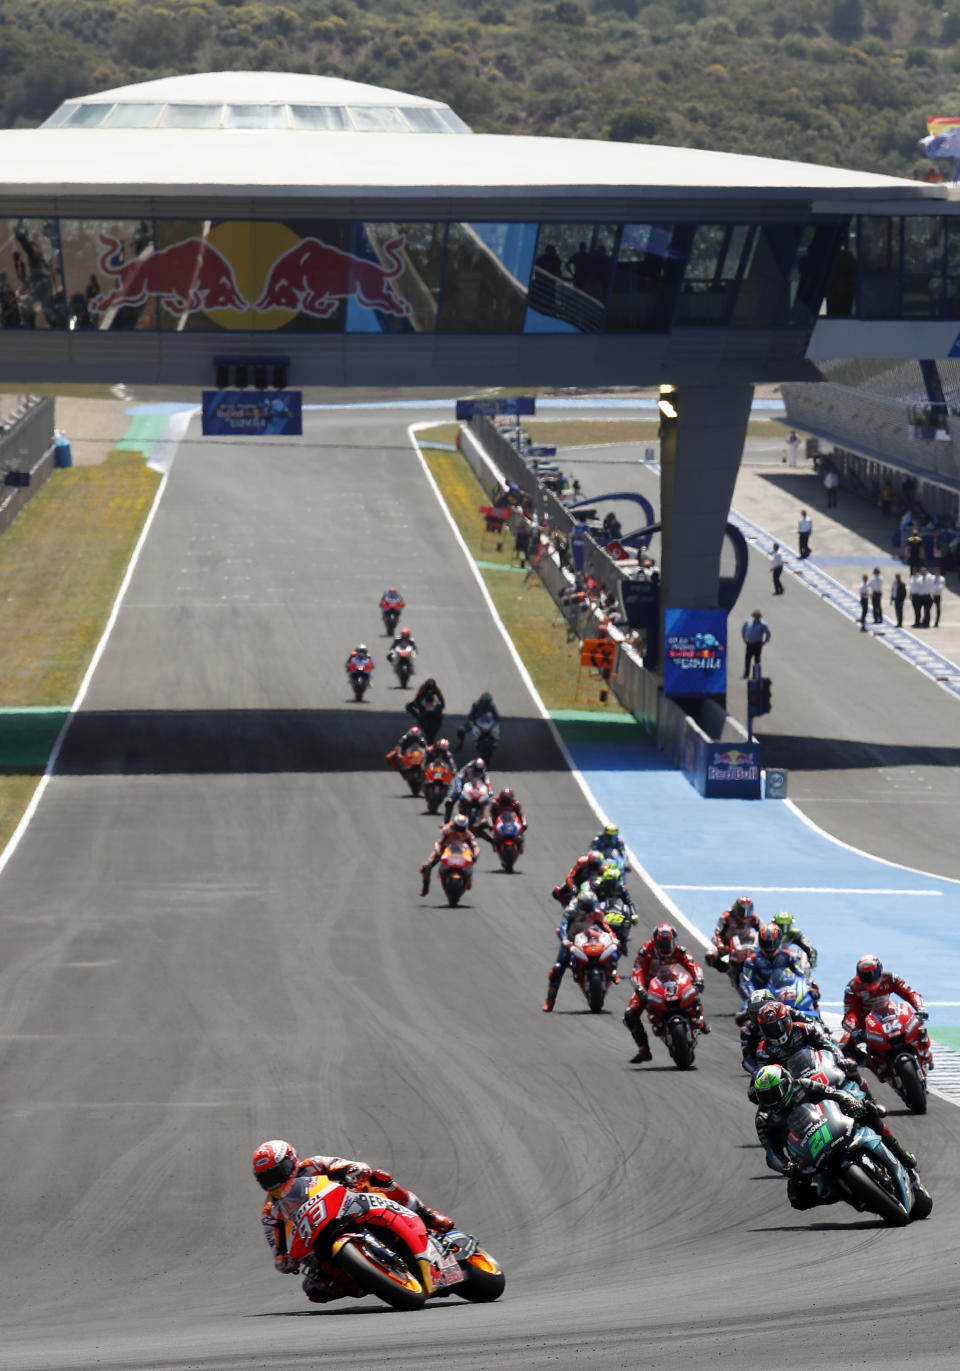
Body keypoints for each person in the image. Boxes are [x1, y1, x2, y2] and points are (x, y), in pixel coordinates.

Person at [253, 1140, 453, 1303]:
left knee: (379, 1178)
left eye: (278, 1173)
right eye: (267, 1179)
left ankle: (426, 1214)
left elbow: (345, 1166)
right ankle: (367, 1279)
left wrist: (355, 1171)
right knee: (315, 1288)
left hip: (348, 1205)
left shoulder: (313, 1165)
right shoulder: (270, 1210)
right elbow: (277, 1249)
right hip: (316, 1236)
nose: (275, 1182)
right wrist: (283, 1261)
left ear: (292, 1161)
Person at [751, 1066, 922, 1211]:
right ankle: (840, 1192)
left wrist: (849, 1102)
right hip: (803, 1151)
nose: (770, 1101)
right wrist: (786, 1167)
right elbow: (771, 1152)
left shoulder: (802, 1085)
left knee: (868, 1112)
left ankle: (900, 1153)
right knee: (796, 1197)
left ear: (786, 1084)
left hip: (828, 1123)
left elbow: (832, 1093)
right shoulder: (763, 1119)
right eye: (764, 1097)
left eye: (774, 1093)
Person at [623, 922, 707, 1061]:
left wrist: (699, 979)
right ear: (655, 942)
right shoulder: (646, 951)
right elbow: (637, 971)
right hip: (650, 987)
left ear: (675, 940)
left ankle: (700, 1021)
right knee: (630, 1015)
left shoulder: (679, 950)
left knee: (694, 994)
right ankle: (644, 1050)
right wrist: (640, 989)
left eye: (669, 943)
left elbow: (693, 965)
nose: (666, 947)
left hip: (674, 983)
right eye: (662, 944)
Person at [840, 955, 932, 1069]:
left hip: (889, 1015)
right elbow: (849, 1014)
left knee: (918, 1026)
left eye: (873, 974)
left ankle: (926, 1056)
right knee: (842, 1049)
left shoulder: (891, 978)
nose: (870, 978)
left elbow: (910, 993)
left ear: (880, 970)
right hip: (864, 1026)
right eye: (865, 976)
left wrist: (921, 1008)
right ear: (858, 974)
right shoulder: (852, 988)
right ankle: (865, 1073)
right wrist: (855, 1030)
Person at [542, 886, 616, 1012]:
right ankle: (550, 1001)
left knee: (612, 953)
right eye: (585, 907)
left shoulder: (597, 912)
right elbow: (563, 927)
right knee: (557, 969)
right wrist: (565, 939)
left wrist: (613, 938)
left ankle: (612, 974)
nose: (588, 911)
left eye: (590, 907)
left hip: (591, 940)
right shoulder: (571, 911)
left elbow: (606, 927)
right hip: (572, 941)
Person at [420, 813, 480, 895]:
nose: (460, 831)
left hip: (462, 850)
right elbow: (439, 842)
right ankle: (425, 889)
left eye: (462, 828)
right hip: (446, 849)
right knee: (426, 867)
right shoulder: (446, 830)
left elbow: (475, 846)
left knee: (472, 859)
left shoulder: (468, 833)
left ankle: (469, 878)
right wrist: (438, 851)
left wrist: (475, 854)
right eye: (458, 828)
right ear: (454, 825)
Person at [706, 895, 760, 971]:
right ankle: (728, 969)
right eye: (742, 911)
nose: (745, 914)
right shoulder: (726, 917)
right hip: (728, 944)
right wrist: (720, 945)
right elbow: (717, 934)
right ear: (736, 909)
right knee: (710, 955)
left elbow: (762, 930)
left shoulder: (754, 917)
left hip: (745, 941)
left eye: (748, 911)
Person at [444, 755, 490, 822]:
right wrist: (459, 787)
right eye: (476, 770)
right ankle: (446, 820)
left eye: (479, 770)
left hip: (476, 788)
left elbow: (487, 782)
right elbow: (459, 778)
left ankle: (483, 818)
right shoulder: (467, 768)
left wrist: (490, 791)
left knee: (486, 800)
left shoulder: (483, 771)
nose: (478, 772)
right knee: (450, 801)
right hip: (464, 786)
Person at [741, 610, 771, 678]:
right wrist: (744, 637)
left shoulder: (763, 624)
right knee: (747, 659)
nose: (756, 617)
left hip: (757, 644)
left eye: (758, 616)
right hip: (749, 643)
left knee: (757, 660)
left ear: (760, 617)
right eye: (755, 616)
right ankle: (746, 674)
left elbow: (768, 633)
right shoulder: (748, 622)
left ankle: (756, 675)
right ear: (753, 616)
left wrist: (765, 641)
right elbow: (743, 629)